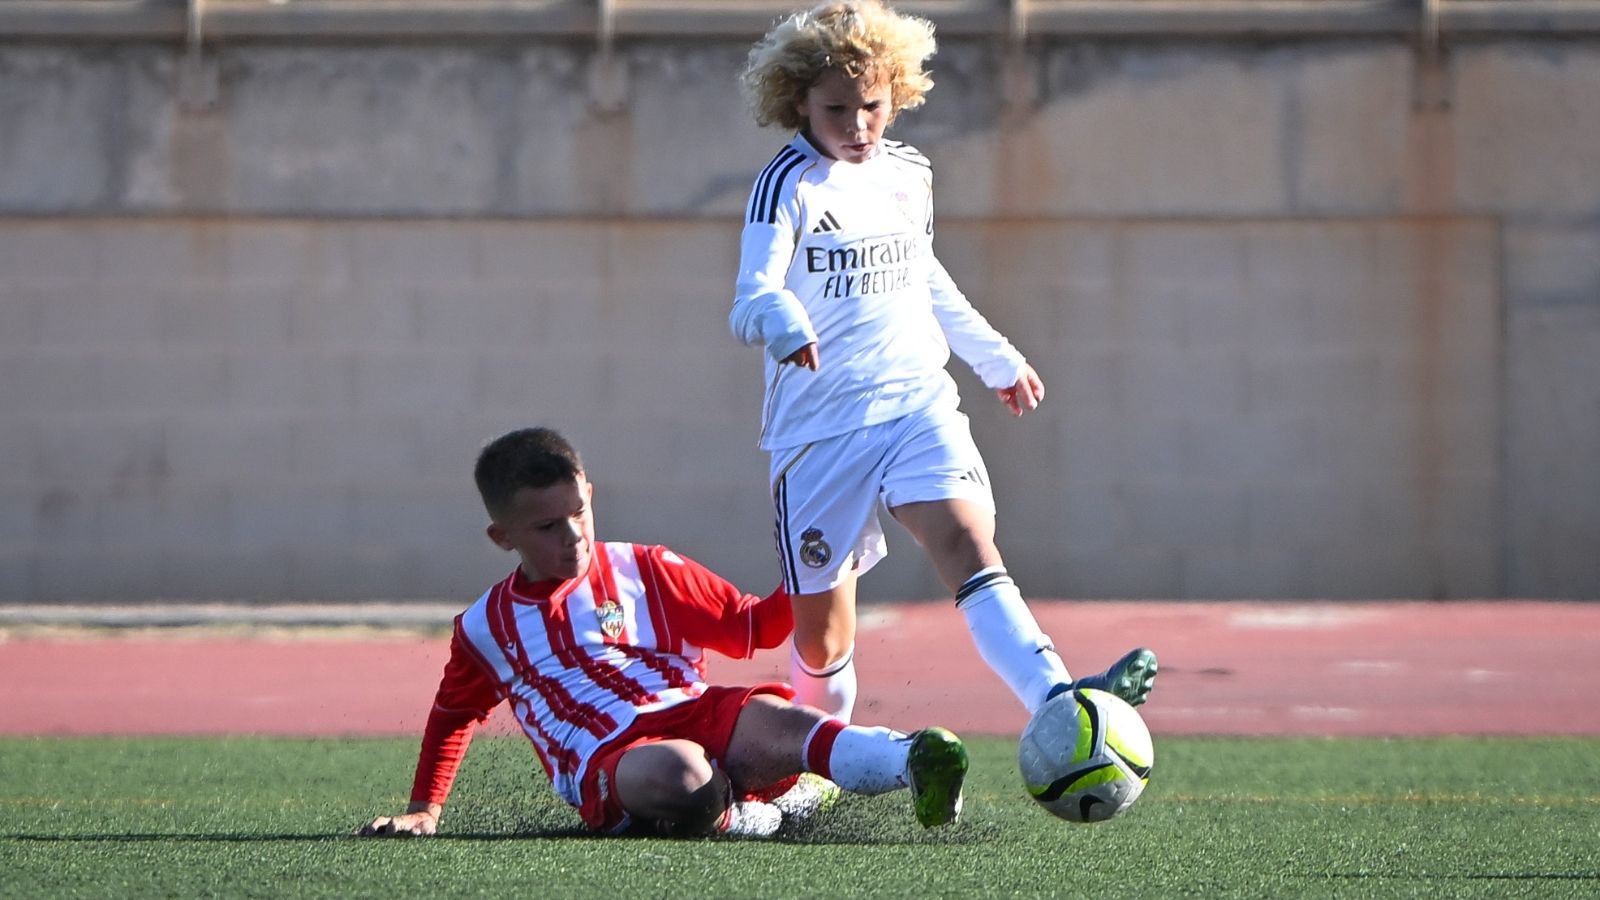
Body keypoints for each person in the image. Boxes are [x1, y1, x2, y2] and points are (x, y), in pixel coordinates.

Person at [730, 0, 1156, 723]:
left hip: (915, 403)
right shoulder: (788, 185)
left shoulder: (908, 173)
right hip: (821, 431)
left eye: (873, 106)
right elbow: (750, 298)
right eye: (837, 109)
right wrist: (784, 321)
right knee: (824, 640)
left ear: (896, 94)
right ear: (798, 100)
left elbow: (924, 277)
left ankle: (1057, 699)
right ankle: (820, 755)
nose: (858, 125)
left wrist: (994, 357)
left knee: (967, 541)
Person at [357, 427, 968, 839]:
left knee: (788, 724)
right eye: (547, 527)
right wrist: (425, 809)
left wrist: (824, 568)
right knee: (679, 773)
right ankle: (747, 815)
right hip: (612, 759)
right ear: (503, 537)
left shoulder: (646, 568)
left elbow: (751, 627)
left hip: (695, 710)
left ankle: (913, 760)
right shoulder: (485, 626)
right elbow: (452, 715)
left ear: (590, 494)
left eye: (579, 512)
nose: (572, 536)